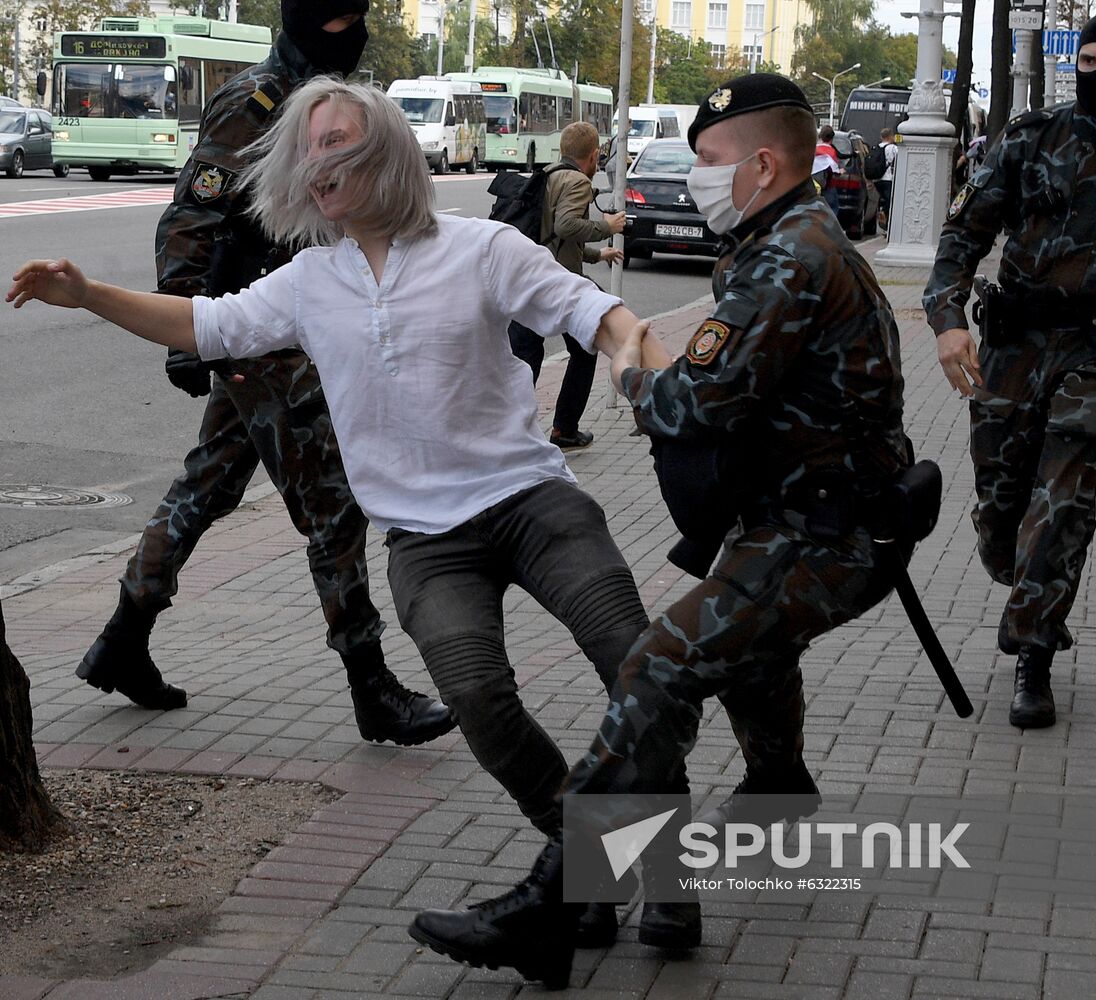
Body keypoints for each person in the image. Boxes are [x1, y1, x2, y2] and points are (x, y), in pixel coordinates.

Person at [8, 75, 674, 927]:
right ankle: (589, 867)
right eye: (305, 149)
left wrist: (642, 371)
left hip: (530, 499)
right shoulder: (309, 280)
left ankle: (660, 883)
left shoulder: (483, 248)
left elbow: (596, 312)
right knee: (477, 698)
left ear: (384, 153)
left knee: (634, 665)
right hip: (424, 538)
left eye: (334, 143)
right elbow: (206, 325)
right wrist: (88, 295)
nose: (315, 162)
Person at [405, 72, 913, 989]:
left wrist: (635, 377)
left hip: (821, 535)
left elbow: (692, 405)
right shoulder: (790, 236)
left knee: (657, 670)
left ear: (764, 165)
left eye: (709, 160)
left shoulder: (788, 257)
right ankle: (772, 792)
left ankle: (553, 903)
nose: (695, 176)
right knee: (752, 655)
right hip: (802, 517)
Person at [68, 0, 454, 748]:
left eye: (356, 20)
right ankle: (371, 685)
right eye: (338, 22)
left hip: (298, 327)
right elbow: (192, 215)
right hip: (264, 336)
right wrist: (188, 335)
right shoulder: (260, 102)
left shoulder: (331, 101)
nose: (351, 35)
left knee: (206, 485)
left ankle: (122, 638)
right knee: (333, 502)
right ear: (305, 22)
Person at [924, 9, 1096, 729]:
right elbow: (962, 233)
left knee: (1063, 500)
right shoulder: (1029, 138)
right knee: (1001, 513)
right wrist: (948, 320)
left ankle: (1033, 651)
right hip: (1013, 344)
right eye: (1090, 62)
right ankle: (1029, 585)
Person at [508, 121, 626, 449]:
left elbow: (552, 236)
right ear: (594, 155)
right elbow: (566, 226)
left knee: (524, 358)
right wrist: (607, 226)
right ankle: (564, 429)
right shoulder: (577, 181)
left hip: (529, 277)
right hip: (557, 285)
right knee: (585, 349)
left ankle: (509, 431)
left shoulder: (547, 174)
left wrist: (596, 255)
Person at [812, 122, 840, 213]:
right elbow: (835, 170)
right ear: (832, 139)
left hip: (813, 186)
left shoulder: (813, 149)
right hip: (828, 186)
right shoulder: (831, 151)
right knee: (833, 208)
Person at [876, 126, 896, 230]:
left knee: (881, 197)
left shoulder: (876, 147)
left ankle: (880, 210)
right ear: (890, 136)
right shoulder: (892, 148)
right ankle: (885, 215)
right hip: (888, 178)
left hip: (877, 179)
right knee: (890, 200)